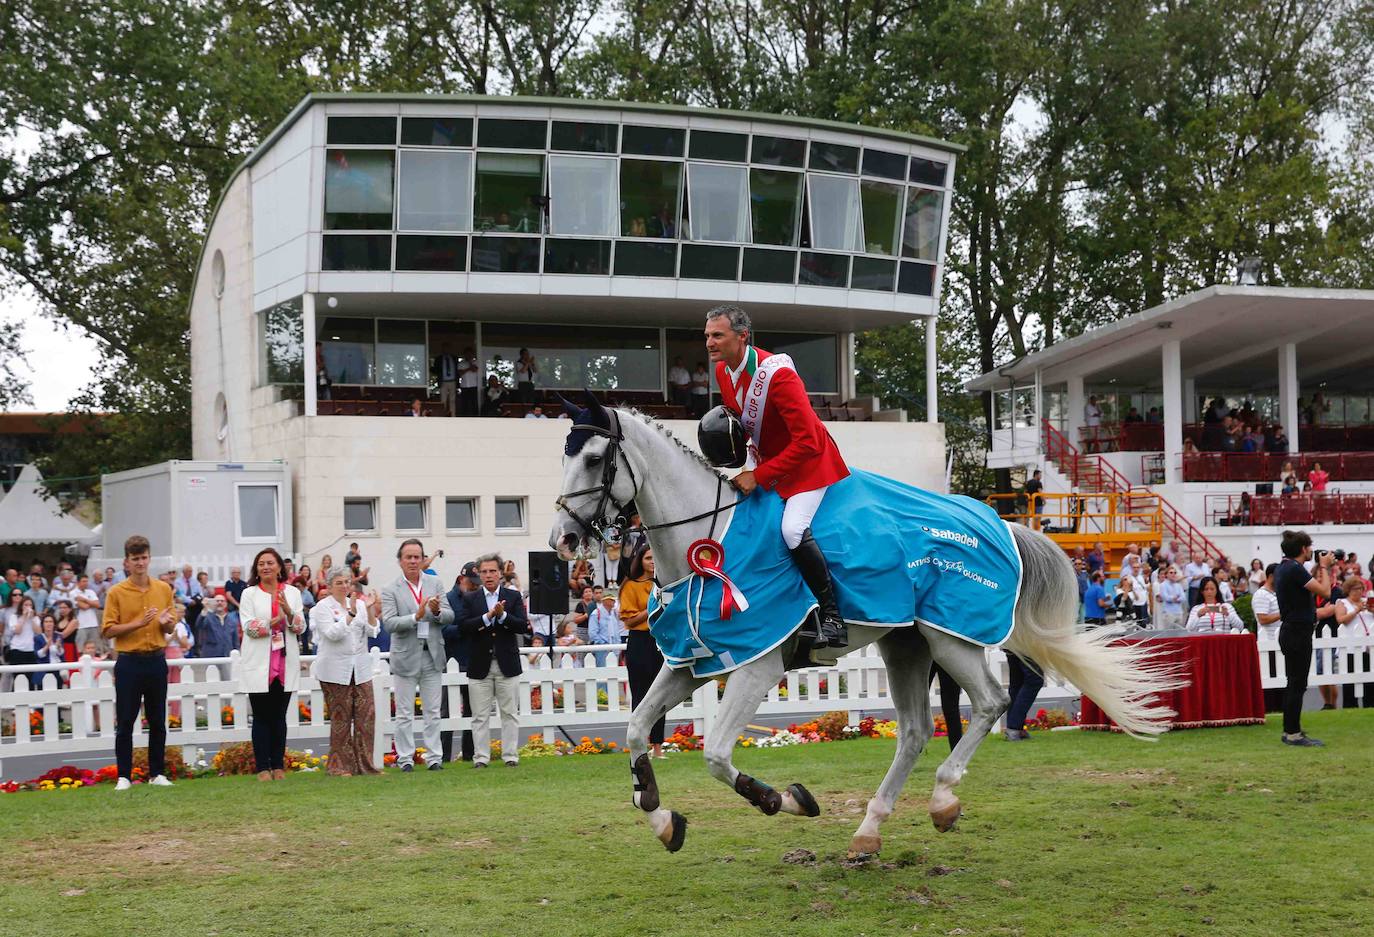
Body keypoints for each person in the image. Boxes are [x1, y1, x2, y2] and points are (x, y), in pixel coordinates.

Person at [700, 303, 849, 648]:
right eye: (707, 335)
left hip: (810, 465)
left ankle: (832, 617)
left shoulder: (778, 375)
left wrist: (759, 476)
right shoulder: (724, 370)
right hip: (770, 461)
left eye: (717, 335)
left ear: (742, 337)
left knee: (792, 529)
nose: (709, 342)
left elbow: (809, 441)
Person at [100, 534, 178, 790]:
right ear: (126, 562)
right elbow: (108, 630)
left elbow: (170, 627)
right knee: (125, 721)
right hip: (129, 661)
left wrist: (167, 624)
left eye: (144, 558)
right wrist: (138, 623)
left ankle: (157, 773)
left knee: (157, 719)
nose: (140, 563)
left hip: (156, 659)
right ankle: (124, 776)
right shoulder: (116, 592)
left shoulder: (163, 589)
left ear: (149, 558)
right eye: (135, 559)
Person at [381, 539, 454, 771]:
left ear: (423, 559)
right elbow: (390, 623)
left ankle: (434, 758)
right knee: (404, 712)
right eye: (408, 557)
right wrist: (417, 616)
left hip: (432, 654)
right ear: (400, 561)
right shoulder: (390, 589)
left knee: (433, 711)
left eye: (417, 557)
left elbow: (450, 616)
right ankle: (405, 759)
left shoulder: (435, 583)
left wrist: (436, 612)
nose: (413, 561)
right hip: (405, 656)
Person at [238, 547, 307, 781]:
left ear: (279, 567)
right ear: (256, 570)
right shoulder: (249, 594)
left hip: (284, 662)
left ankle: (278, 766)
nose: (266, 567)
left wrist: (288, 612)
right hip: (259, 662)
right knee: (261, 716)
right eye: (261, 564)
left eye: (270, 563)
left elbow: (300, 627)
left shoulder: (292, 593)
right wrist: (270, 623)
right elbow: (248, 627)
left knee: (279, 716)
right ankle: (262, 768)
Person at [457, 553, 529, 768]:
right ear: (479, 574)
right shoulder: (470, 598)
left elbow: (522, 625)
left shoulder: (513, 597)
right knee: (479, 716)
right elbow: (464, 627)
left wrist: (503, 616)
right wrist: (488, 617)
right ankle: (481, 758)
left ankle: (510, 757)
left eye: (493, 571)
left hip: (507, 663)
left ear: (500, 573)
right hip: (480, 664)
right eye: (484, 572)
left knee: (509, 713)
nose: (489, 575)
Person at [311, 569, 383, 776]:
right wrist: (350, 614)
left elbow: (373, 631)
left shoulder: (360, 604)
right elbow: (332, 634)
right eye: (339, 582)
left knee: (366, 717)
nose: (344, 586)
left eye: (347, 582)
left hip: (360, 668)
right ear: (329, 586)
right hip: (334, 670)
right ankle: (339, 766)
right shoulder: (321, 608)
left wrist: (369, 610)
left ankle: (366, 766)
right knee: (341, 718)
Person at [1273, 530, 1334, 747]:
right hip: (1298, 632)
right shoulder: (1294, 570)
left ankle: (1291, 730)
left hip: (1291, 631)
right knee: (1297, 684)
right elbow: (1326, 592)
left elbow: (1306, 580)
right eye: (1309, 548)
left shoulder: (1286, 567)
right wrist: (1325, 566)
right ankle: (1293, 733)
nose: (1311, 551)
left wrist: (1319, 566)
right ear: (1303, 549)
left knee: (1294, 683)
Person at [619, 544, 664, 758]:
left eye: (654, 557)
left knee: (662, 693)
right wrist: (652, 608)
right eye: (648, 558)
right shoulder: (631, 585)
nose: (652, 561)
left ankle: (658, 747)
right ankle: (639, 745)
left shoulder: (664, 583)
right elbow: (629, 620)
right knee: (640, 693)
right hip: (640, 640)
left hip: (660, 640)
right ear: (641, 561)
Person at [441, 563, 478, 764]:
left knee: (473, 711)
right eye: (471, 582)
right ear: (460, 579)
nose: (474, 586)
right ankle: (444, 756)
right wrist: (465, 628)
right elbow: (443, 630)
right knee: (447, 711)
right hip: (452, 661)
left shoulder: (477, 598)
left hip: (472, 661)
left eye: (476, 583)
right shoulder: (447, 599)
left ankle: (469, 755)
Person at [1334, 576, 1374, 709]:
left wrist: (1371, 609)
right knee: (1350, 680)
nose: (1358, 591)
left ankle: (1370, 704)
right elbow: (1341, 619)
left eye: (1361, 588)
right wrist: (1356, 610)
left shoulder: (1366, 602)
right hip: (1349, 648)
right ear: (1348, 590)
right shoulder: (1342, 602)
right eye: (1355, 589)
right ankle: (1350, 705)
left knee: (1369, 678)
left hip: (1367, 647)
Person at [1003, 653, 1044, 741]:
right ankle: (1014, 727)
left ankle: (1015, 728)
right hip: (1024, 644)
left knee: (1017, 682)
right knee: (1035, 679)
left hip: (1011, 643)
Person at [193, 593, 240, 658]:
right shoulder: (207, 617)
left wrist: (237, 654)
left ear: (226, 604)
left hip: (227, 656)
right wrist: (205, 609)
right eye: (217, 601)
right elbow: (199, 625)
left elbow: (235, 641)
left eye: (222, 601)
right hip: (211, 656)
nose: (219, 603)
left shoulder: (232, 619)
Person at [588, 585, 621, 667]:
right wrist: (604, 643)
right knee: (602, 673)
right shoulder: (596, 613)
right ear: (605, 601)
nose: (614, 602)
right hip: (602, 649)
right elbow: (592, 633)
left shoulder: (614, 613)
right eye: (612, 600)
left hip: (614, 648)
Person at [433, 345, 461, 417]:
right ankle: (443, 415)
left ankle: (453, 415)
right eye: (445, 349)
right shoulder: (439, 359)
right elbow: (435, 369)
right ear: (442, 349)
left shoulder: (454, 358)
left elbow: (457, 369)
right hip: (443, 381)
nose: (446, 350)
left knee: (452, 400)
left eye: (448, 348)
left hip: (452, 381)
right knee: (443, 400)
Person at [458, 346, 481, 416]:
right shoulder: (461, 363)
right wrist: (468, 369)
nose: (468, 355)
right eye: (467, 354)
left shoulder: (476, 362)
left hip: (474, 386)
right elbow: (460, 373)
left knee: (474, 403)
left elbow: (474, 369)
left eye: (470, 354)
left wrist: (470, 362)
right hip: (464, 386)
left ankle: (476, 417)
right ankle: (464, 417)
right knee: (464, 403)